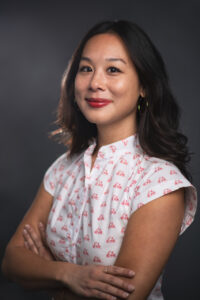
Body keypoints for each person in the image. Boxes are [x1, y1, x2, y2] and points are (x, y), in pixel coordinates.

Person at [2, 20, 197, 300]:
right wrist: (68, 274)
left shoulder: (159, 182)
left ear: (145, 86)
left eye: (113, 70)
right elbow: (11, 262)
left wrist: (47, 274)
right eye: (86, 69)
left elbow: (123, 296)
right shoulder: (63, 169)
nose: (95, 83)